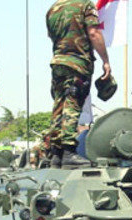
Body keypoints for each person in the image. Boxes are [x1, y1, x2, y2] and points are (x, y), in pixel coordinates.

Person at [46, 0, 111, 167]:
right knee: (72, 105)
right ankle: (68, 151)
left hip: (58, 62)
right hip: (77, 62)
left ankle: (57, 153)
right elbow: (94, 32)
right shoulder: (85, 5)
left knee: (59, 105)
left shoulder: (53, 9)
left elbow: (51, 35)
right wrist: (105, 60)